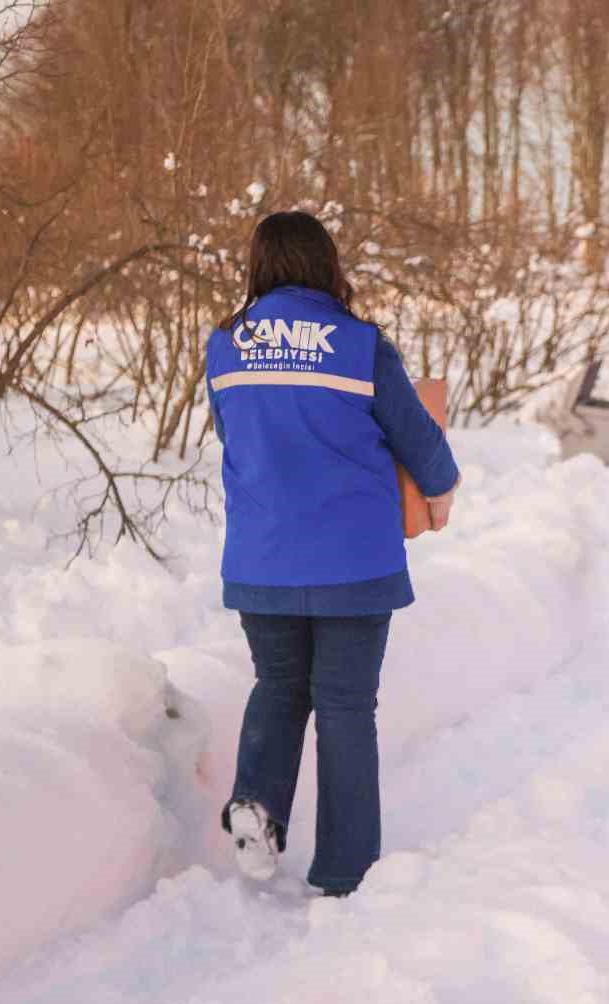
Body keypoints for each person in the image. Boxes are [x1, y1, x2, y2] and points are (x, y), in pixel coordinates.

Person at [205, 211, 460, 896]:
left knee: (279, 685)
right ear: (326, 264)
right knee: (346, 704)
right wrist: (442, 487)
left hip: (263, 562)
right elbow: (418, 438)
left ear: (259, 265)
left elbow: (232, 432)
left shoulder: (225, 346)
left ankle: (257, 802)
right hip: (354, 562)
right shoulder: (359, 344)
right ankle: (346, 869)